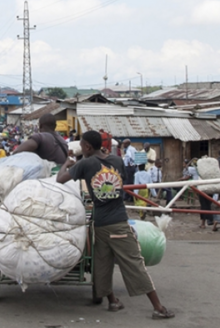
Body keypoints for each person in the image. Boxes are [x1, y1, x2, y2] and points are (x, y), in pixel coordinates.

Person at [56, 130, 175, 319]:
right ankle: (156, 307)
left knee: (104, 263)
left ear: (87, 147)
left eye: (82, 146)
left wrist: (67, 163)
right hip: (118, 220)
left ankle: (115, 301)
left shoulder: (85, 164)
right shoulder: (117, 161)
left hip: (101, 223)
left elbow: (60, 179)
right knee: (133, 262)